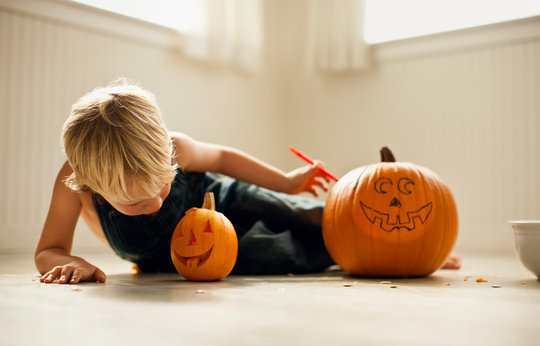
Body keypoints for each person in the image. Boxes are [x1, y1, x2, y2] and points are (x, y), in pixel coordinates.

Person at [35, 79, 460, 284]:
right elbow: (49, 249)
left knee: (307, 214)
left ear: (167, 155)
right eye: (132, 204)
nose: (153, 204)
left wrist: (286, 183)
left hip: (221, 195)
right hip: (180, 253)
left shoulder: (176, 146)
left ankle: (404, 248)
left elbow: (222, 158)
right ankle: (355, 256)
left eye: (161, 187)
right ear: (88, 182)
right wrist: (74, 265)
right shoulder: (75, 181)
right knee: (272, 251)